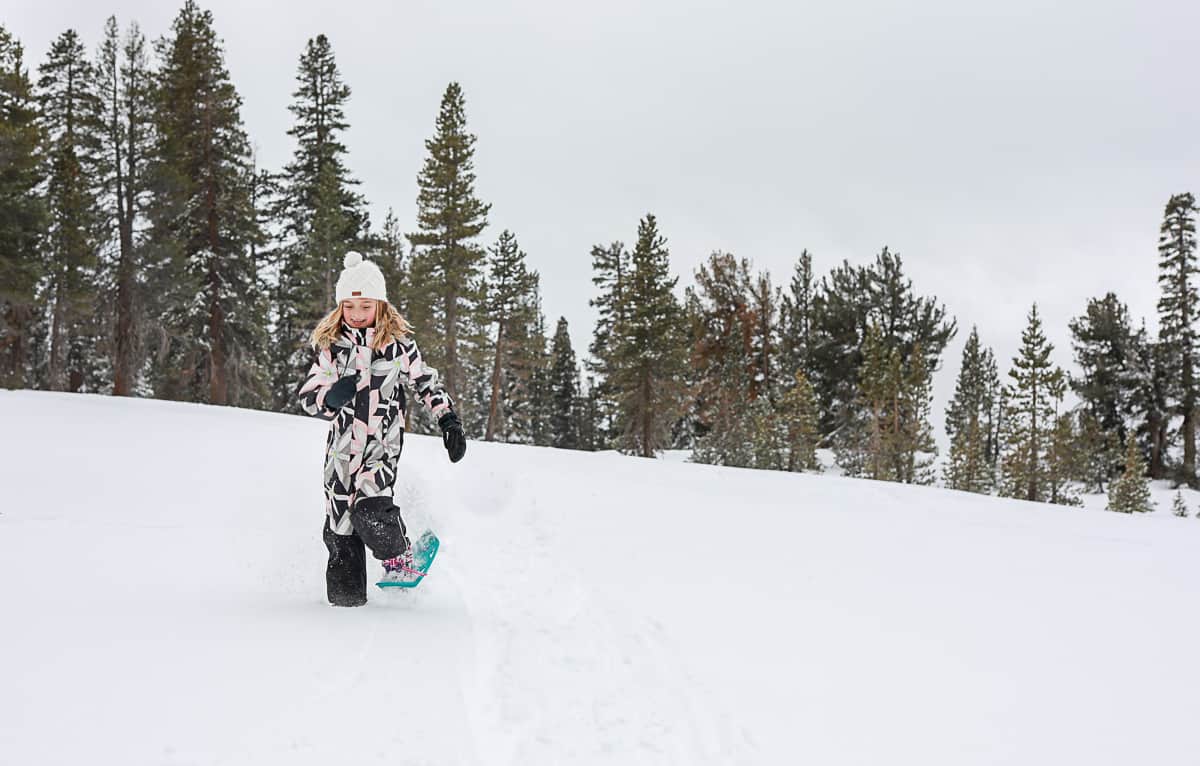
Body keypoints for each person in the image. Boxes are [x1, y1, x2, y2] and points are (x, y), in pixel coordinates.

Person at [297, 251, 466, 607]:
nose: (357, 316)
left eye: (366, 307)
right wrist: (329, 398)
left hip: (380, 447)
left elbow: (425, 383)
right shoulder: (332, 348)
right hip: (341, 452)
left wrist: (447, 418)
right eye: (349, 307)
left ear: (381, 305)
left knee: (370, 510)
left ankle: (400, 560)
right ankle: (347, 607)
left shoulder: (399, 345)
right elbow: (309, 395)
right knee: (341, 527)